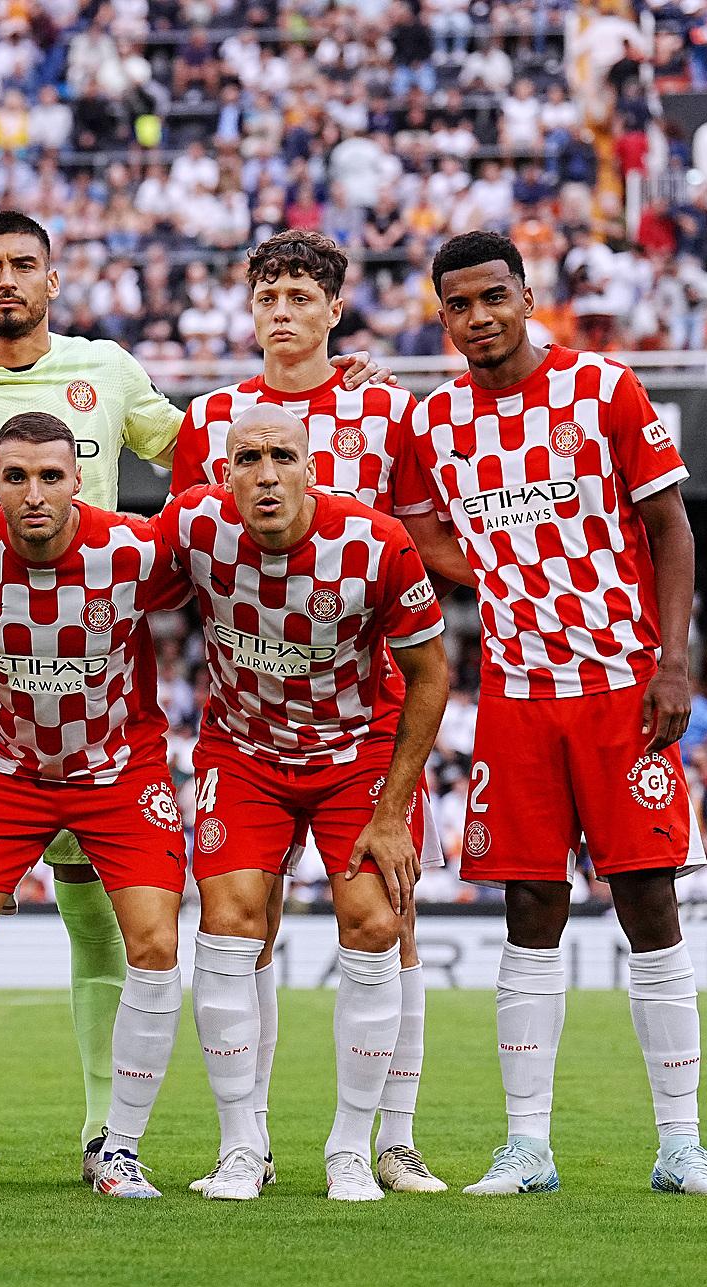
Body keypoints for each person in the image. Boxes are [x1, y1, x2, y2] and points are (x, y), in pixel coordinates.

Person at [0, 209, 394, 1188]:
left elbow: (217, 452)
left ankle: (104, 1134)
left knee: (102, 920)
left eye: (24, 264)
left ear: (53, 278)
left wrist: (322, 385)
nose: (7, 280)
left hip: (100, 669)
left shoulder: (107, 372)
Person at [410, 230, 707, 1198]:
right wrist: (496, 575)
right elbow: (414, 524)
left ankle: (681, 1145)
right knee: (528, 908)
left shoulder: (602, 389)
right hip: (515, 695)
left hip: (621, 688)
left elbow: (669, 526)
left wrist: (672, 663)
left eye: (492, 296)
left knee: (648, 902)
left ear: (525, 296)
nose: (478, 317)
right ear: (443, 317)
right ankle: (526, 1149)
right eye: (458, 304)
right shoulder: (433, 421)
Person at [168, 229, 464, 1194]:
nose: (283, 312)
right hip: (251, 710)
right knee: (240, 920)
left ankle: (390, 1139)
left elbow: (422, 540)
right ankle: (245, 1141)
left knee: (390, 921)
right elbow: (185, 554)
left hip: (367, 711)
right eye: (269, 297)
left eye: (302, 296)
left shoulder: (388, 409)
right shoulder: (211, 420)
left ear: (336, 309)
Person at [0, 412, 190, 1200]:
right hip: (8, 771)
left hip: (118, 772)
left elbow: (223, 564)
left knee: (155, 943)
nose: (34, 493)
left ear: (78, 480)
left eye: (51, 476)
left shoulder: (133, 550)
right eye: (17, 477)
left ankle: (119, 1149)